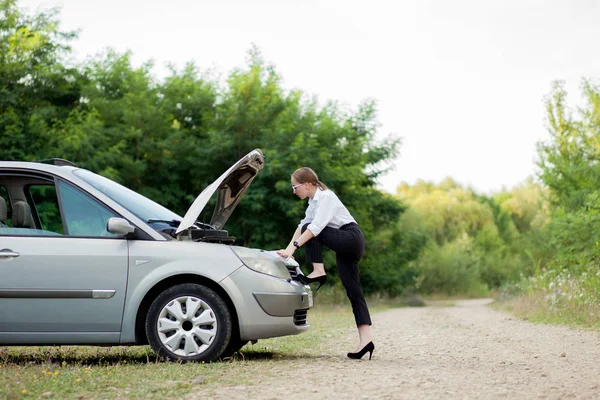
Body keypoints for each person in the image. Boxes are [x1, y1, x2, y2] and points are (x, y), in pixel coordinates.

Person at [277, 167, 375, 360]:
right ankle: (366, 341)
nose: (293, 191)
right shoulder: (313, 202)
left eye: (294, 187)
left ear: (307, 184)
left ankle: (318, 270)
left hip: (351, 238)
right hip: (344, 246)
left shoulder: (326, 197)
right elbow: (302, 225)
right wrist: (288, 251)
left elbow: (315, 228)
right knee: (354, 293)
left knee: (311, 229)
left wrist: (295, 246)